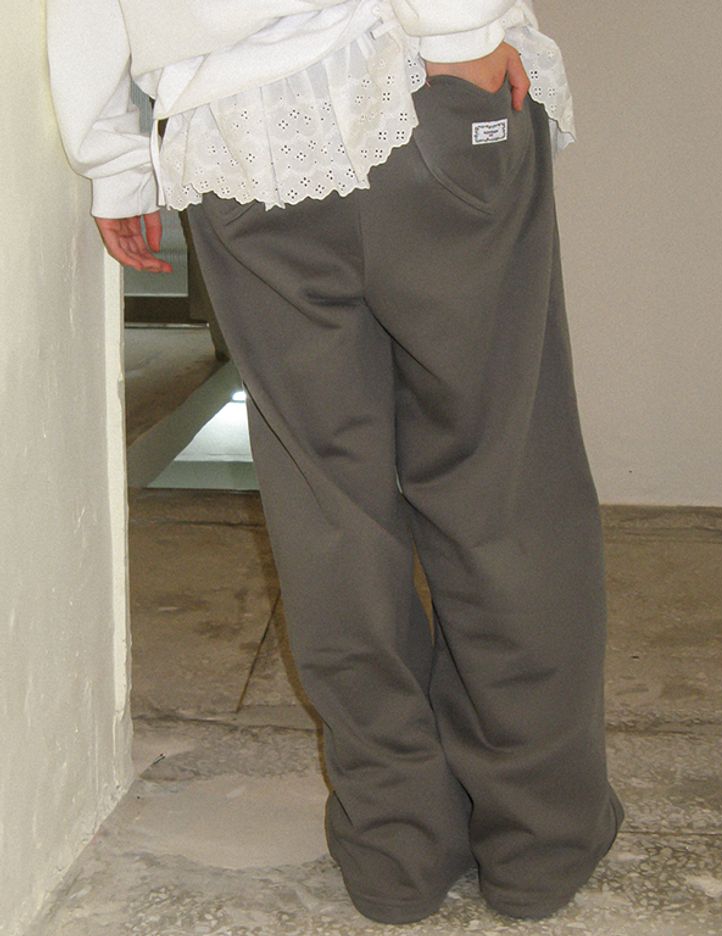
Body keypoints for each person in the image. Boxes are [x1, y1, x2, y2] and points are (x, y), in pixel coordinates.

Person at [47, 0, 625, 924]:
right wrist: (461, 31)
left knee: (329, 512)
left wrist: (116, 161)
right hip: (406, 77)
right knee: (501, 485)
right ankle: (538, 844)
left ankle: (396, 849)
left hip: (237, 151)